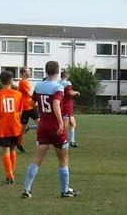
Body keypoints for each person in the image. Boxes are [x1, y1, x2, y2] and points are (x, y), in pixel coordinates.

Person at [22, 61, 78, 198]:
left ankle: (27, 189)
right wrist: (60, 122)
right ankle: (65, 190)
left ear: (46, 71)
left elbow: (32, 102)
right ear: (57, 72)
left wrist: (41, 108)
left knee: (37, 158)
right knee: (63, 159)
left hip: (43, 127)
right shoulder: (58, 87)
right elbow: (56, 104)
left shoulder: (39, 85)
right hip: (55, 127)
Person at [0, 71, 25, 185]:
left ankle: (10, 175)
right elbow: (20, 112)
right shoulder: (18, 94)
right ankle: (11, 173)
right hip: (15, 126)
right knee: (13, 150)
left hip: (3, 127)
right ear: (11, 81)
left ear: (1, 82)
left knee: (5, 151)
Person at [17, 68, 39, 153]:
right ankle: (18, 144)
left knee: (41, 123)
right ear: (23, 73)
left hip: (31, 107)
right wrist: (37, 99)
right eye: (28, 71)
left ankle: (40, 142)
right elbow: (29, 94)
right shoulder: (23, 82)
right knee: (21, 129)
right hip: (25, 108)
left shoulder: (26, 82)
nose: (30, 72)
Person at [59, 70, 81, 148]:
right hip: (66, 107)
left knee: (73, 124)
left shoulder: (58, 83)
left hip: (61, 106)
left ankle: (72, 141)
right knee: (64, 125)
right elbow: (70, 92)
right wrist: (77, 92)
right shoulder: (67, 83)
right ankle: (60, 140)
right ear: (66, 76)